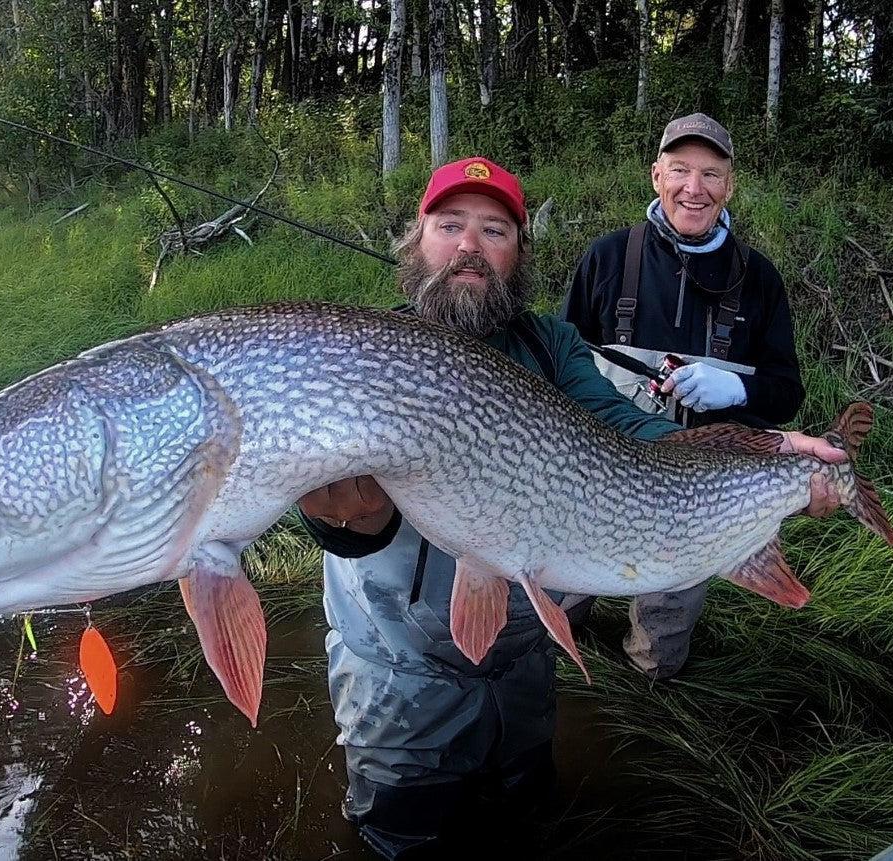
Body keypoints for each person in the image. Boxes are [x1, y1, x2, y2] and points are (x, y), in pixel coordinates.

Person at [296, 156, 841, 860]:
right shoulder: (370, 349)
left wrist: (766, 455)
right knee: (401, 836)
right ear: (417, 241)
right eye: (450, 225)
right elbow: (328, 506)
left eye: (494, 230)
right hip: (400, 681)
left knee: (527, 816)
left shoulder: (550, 344)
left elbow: (626, 428)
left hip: (524, 664)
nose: (469, 246)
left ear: (518, 254)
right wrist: (339, 521)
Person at [561, 113, 806, 681]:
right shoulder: (607, 258)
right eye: (679, 171)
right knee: (559, 594)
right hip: (596, 473)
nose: (693, 190)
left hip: (700, 495)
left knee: (666, 622)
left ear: (730, 185)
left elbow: (786, 391)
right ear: (655, 176)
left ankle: (649, 694)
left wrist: (737, 387)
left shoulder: (760, 279)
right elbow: (560, 360)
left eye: (710, 175)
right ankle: (557, 675)